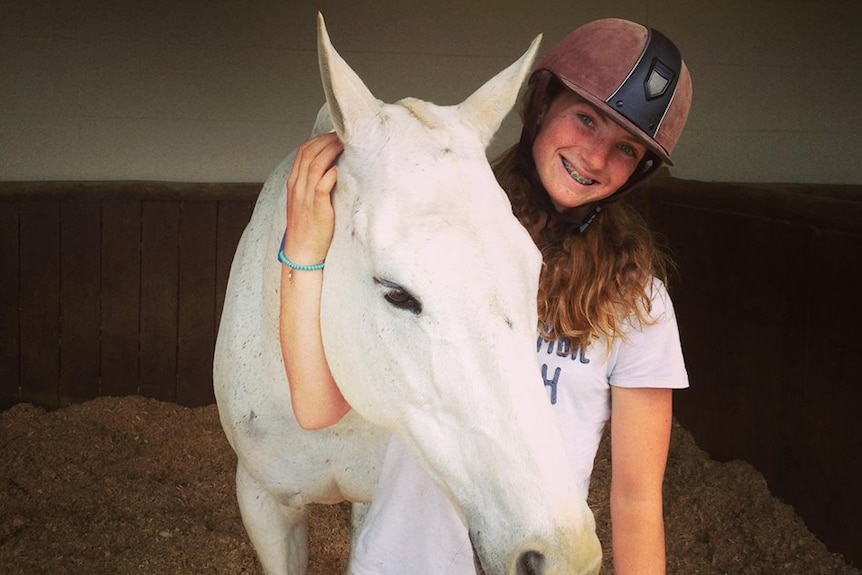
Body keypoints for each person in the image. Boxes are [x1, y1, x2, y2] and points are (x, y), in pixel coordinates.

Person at [279, 17, 692, 575]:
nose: (595, 157)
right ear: (542, 106)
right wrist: (303, 247)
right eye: (586, 119)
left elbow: (637, 498)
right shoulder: (427, 249)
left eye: (624, 148)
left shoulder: (638, 304)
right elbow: (317, 406)